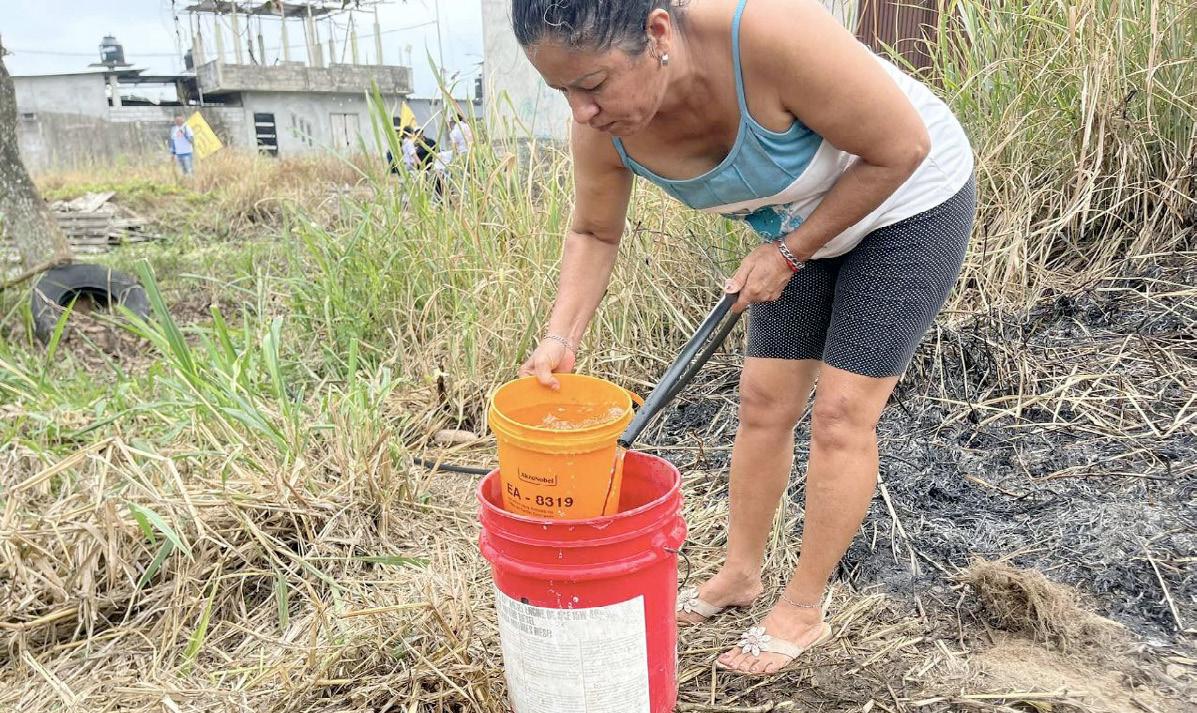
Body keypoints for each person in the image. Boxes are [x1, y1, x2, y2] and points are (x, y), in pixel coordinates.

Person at [513, 0, 975, 676]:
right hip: (798, 227)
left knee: (841, 413)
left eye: (593, 84)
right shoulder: (602, 128)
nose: (580, 112)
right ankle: (740, 573)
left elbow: (902, 147)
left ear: (656, 33)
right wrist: (561, 335)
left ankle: (803, 606)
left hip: (906, 198)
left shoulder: (764, 32)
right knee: (762, 401)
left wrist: (790, 253)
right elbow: (593, 231)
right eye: (562, 91)